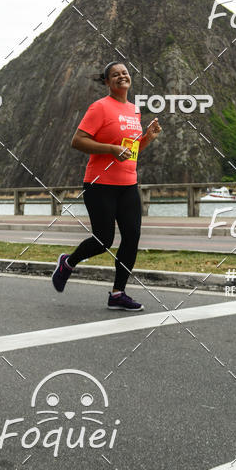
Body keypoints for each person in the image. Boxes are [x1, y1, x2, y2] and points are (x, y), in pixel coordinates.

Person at [52, 61, 162, 311]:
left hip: (128, 184)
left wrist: (147, 138)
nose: (121, 76)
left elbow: (130, 152)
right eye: (115, 75)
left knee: (132, 237)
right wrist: (111, 149)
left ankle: (117, 293)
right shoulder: (99, 107)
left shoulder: (134, 110)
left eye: (124, 73)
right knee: (103, 240)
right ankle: (68, 262)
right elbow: (77, 141)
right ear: (107, 82)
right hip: (100, 184)